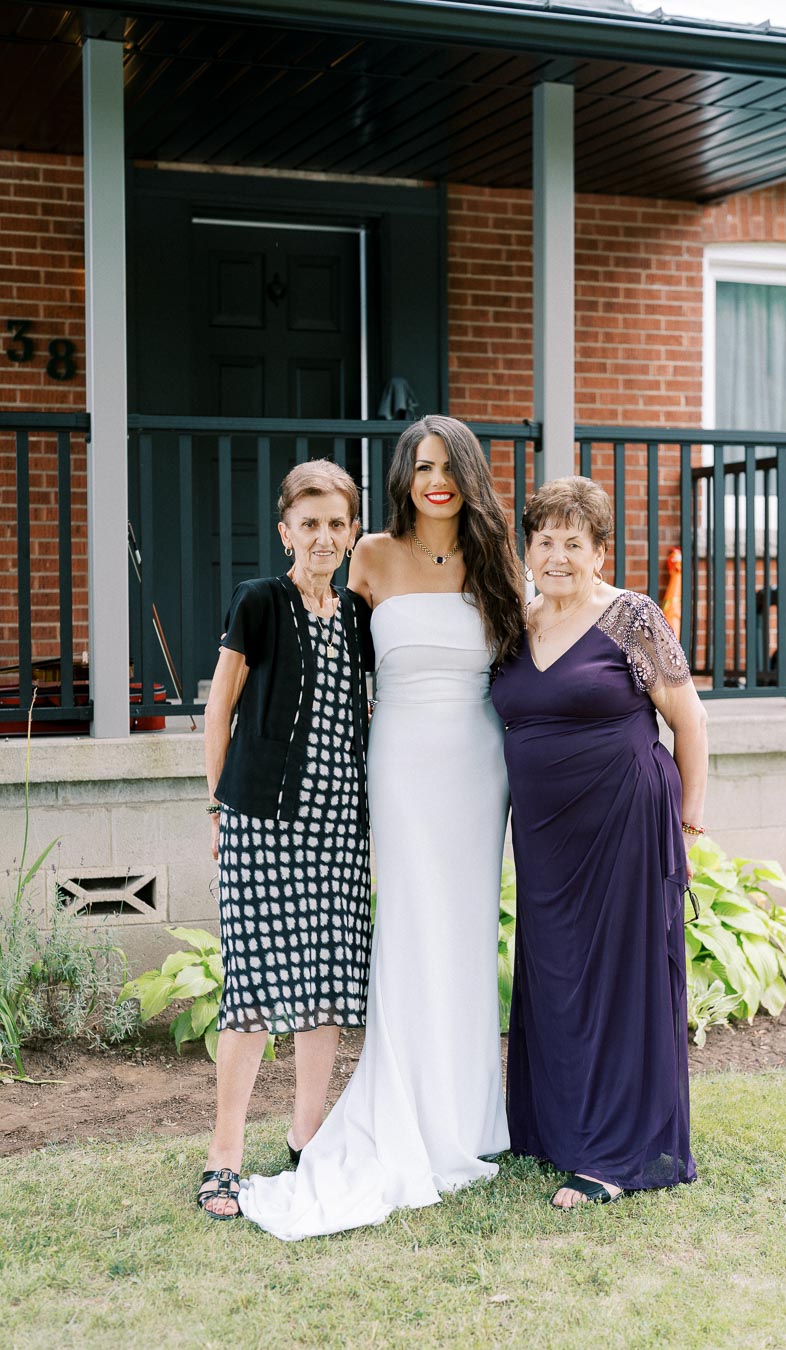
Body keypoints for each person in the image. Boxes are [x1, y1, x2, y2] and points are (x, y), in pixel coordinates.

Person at [239, 414, 523, 1238]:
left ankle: (468, 1118)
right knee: (407, 932)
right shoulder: (370, 555)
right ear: (403, 477)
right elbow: (316, 642)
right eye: (421, 466)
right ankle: (403, 1108)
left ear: (468, 474)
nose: (435, 480)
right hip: (397, 766)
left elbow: (545, 642)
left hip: (478, 768)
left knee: (466, 934)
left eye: (449, 466)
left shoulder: (498, 561)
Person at [490, 476, 708, 1209]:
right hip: (547, 836)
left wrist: (689, 816)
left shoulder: (631, 616)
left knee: (621, 980)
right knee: (555, 975)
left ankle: (616, 1155)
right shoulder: (514, 624)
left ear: (599, 551)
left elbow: (689, 719)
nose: (556, 555)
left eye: (572, 543)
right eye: (544, 540)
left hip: (625, 820)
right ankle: (558, 1130)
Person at [198, 459, 374, 1219]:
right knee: (254, 988)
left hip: (339, 825)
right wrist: (215, 807)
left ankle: (308, 1138)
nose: (324, 537)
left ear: (352, 530)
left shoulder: (360, 615)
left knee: (326, 983)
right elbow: (220, 709)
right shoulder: (259, 602)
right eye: (310, 524)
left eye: (337, 523)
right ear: (286, 532)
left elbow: (363, 714)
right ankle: (224, 1156)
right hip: (261, 820)